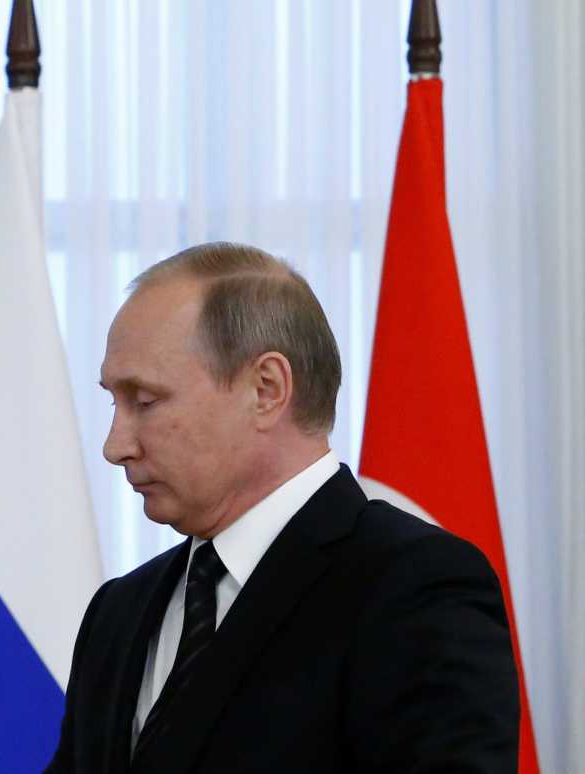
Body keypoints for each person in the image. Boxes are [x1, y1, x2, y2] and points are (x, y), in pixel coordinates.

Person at [47, 242, 519, 773]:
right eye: (115, 401)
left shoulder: (414, 584)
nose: (116, 445)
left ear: (267, 389)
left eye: (146, 402)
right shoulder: (118, 611)